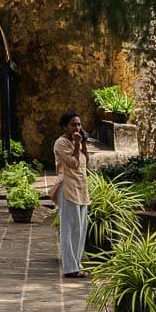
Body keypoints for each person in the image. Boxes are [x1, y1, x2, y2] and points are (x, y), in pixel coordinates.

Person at [52, 111, 91, 279]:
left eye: (79, 124)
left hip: (81, 186)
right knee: (69, 228)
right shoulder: (61, 143)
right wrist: (76, 145)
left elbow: (85, 161)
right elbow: (73, 163)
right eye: (73, 124)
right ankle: (70, 268)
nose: (77, 127)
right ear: (64, 127)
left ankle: (77, 264)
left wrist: (83, 144)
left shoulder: (78, 141)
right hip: (67, 186)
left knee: (81, 228)